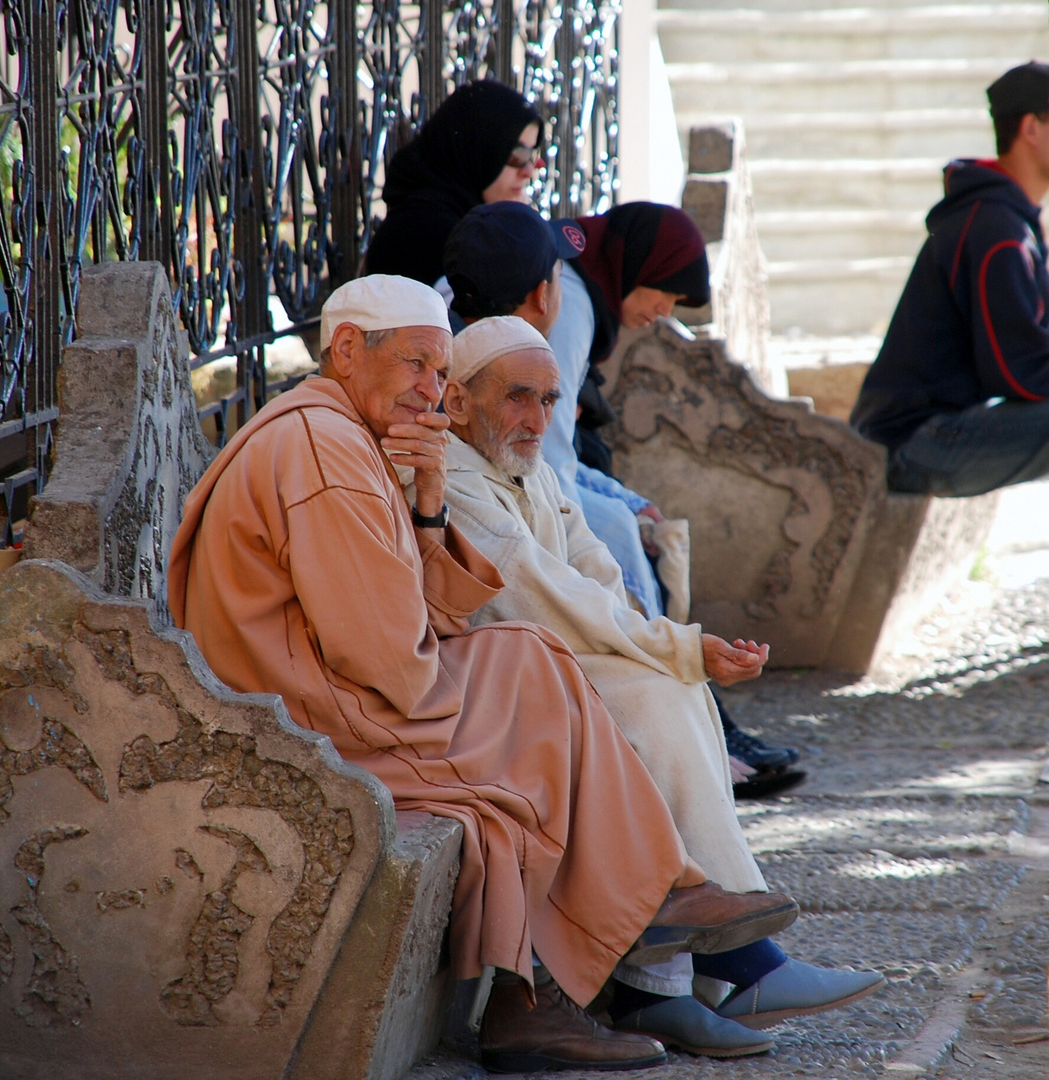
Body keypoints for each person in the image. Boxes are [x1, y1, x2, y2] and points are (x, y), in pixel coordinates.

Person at [167, 275, 800, 1073]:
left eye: (439, 372)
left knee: (530, 691)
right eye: (417, 366)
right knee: (524, 725)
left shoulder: (347, 432)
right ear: (349, 351)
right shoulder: (323, 448)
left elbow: (414, 616)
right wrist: (461, 679)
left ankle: (545, 992)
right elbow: (388, 657)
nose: (431, 391)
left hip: (333, 684)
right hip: (305, 709)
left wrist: (426, 501)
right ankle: (639, 907)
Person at [419, 316, 884, 1054]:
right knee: (654, 692)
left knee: (671, 684)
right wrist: (678, 646)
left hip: (543, 658)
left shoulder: (524, 463)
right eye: (517, 398)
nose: (536, 417)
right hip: (487, 679)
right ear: (458, 400)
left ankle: (662, 989)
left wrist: (669, 648)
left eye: (547, 399)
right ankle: (738, 967)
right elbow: (539, 595)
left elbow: (593, 567)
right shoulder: (452, 473)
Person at [444, 201, 803, 793]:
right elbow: (544, 491)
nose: (664, 314)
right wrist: (678, 650)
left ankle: (712, 776)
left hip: (552, 598)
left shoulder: (517, 372)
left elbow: (556, 496)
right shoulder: (478, 430)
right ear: (542, 295)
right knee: (650, 642)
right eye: (663, 295)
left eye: (549, 399)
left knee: (664, 668)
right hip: (507, 662)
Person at [851, 60, 1049, 497]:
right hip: (911, 446)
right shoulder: (997, 231)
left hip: (939, 435)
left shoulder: (1009, 223)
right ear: (1031, 129)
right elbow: (1018, 371)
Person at [364, 80, 544, 286]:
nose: (529, 171)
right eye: (517, 155)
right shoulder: (425, 236)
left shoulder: (461, 227)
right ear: (475, 149)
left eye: (532, 153)